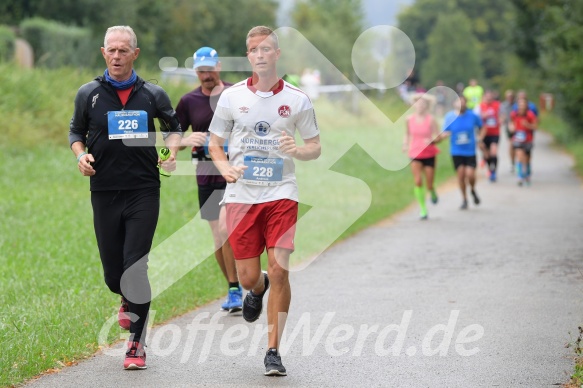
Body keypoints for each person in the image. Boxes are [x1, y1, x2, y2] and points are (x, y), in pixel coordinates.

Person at [208, 25, 321, 376]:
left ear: (277, 54)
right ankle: (256, 290)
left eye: (266, 48)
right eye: (254, 49)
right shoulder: (230, 97)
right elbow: (214, 143)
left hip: (281, 193)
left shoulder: (298, 99)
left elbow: (315, 147)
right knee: (247, 277)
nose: (260, 54)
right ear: (248, 56)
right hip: (242, 195)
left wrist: (298, 150)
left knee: (280, 268)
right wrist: (224, 167)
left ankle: (273, 350)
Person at [69, 25, 182, 370]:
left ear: (135, 54)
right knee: (112, 274)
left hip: (144, 190)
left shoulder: (152, 94)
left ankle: (136, 344)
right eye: (111, 50)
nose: (116, 56)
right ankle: (123, 297)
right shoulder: (88, 93)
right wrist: (80, 156)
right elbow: (76, 131)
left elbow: (174, 128)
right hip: (104, 190)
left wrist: (172, 152)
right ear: (104, 53)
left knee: (135, 266)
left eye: (123, 50)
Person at [175, 47, 242, 312]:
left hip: (235, 173)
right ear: (196, 71)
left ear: (219, 67)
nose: (206, 75)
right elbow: (171, 141)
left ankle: (244, 280)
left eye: (210, 70)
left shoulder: (236, 95)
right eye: (201, 71)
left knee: (228, 231)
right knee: (218, 237)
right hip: (206, 176)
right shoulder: (188, 101)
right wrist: (185, 140)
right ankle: (234, 288)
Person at [437, 96, 484, 209]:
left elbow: (482, 127)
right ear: (454, 104)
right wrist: (440, 138)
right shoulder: (449, 117)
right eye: (459, 102)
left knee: (470, 175)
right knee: (461, 175)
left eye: (463, 103)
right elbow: (445, 132)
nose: (461, 105)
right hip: (456, 151)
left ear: (466, 104)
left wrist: (480, 138)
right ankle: (464, 199)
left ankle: (472, 189)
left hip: (470, 150)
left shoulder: (472, 116)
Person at [403, 94, 440, 220]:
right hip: (414, 153)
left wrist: (431, 140)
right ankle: (423, 208)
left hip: (429, 153)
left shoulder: (431, 119)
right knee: (418, 181)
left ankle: (432, 190)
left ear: (427, 106)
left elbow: (438, 136)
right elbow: (407, 134)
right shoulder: (408, 119)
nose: (420, 106)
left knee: (429, 183)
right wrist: (404, 144)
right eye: (418, 103)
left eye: (423, 104)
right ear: (414, 105)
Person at [510, 97, 537, 186]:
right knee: (520, 157)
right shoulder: (514, 114)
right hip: (517, 139)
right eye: (520, 104)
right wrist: (511, 127)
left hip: (528, 139)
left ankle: (527, 174)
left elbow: (535, 127)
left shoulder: (530, 115)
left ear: (526, 105)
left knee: (527, 159)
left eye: (523, 104)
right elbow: (511, 123)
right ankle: (520, 176)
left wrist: (527, 125)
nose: (521, 106)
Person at [478, 90, 501, 181]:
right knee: (487, 155)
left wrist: (501, 119)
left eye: (490, 97)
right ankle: (489, 168)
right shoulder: (480, 106)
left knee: (493, 152)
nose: (488, 98)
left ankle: (493, 171)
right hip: (484, 134)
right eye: (487, 97)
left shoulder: (497, 105)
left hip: (495, 133)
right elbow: (476, 118)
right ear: (484, 97)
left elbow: (502, 115)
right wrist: (482, 116)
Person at [500, 89, 516, 172]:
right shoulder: (503, 105)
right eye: (508, 96)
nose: (510, 98)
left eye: (511, 96)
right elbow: (502, 116)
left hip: (518, 127)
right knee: (511, 144)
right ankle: (512, 162)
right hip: (508, 126)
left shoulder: (516, 105)